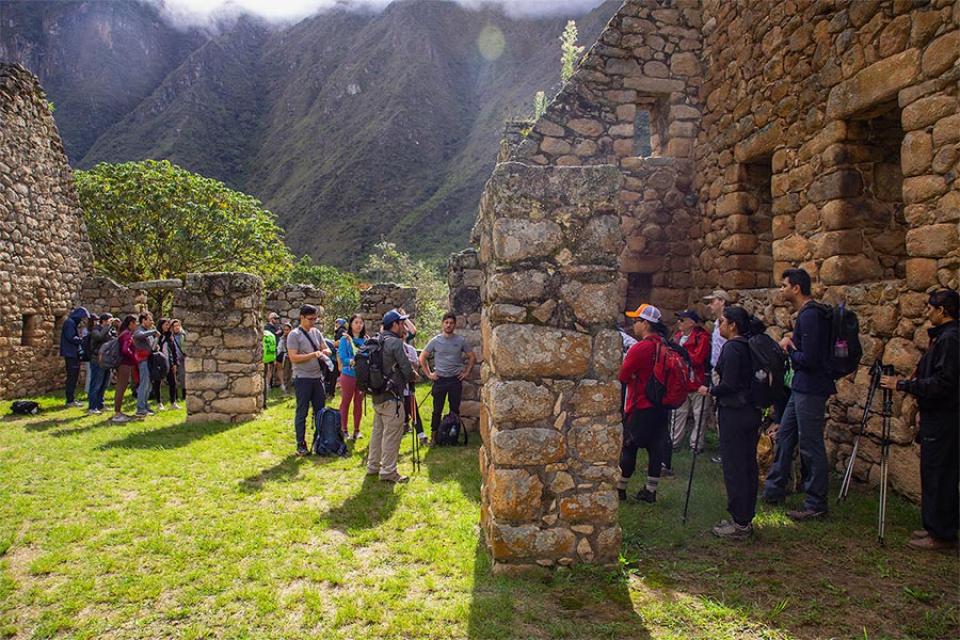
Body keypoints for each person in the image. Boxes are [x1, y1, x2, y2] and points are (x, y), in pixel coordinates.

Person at [880, 290, 959, 551]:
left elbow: (944, 383)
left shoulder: (950, 340)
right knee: (935, 471)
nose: (926, 312)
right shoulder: (944, 339)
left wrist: (903, 385)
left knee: (939, 473)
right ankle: (936, 526)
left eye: (931, 307)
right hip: (939, 415)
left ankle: (941, 534)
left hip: (944, 416)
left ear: (943, 310)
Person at [762, 268, 835, 521]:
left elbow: (811, 359)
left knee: (810, 444)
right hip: (801, 387)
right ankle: (774, 489)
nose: (781, 290)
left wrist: (789, 350)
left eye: (784, 286)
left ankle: (816, 503)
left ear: (796, 288)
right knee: (785, 436)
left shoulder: (812, 315)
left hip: (811, 388)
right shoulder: (806, 314)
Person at [697, 306, 762, 539]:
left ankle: (740, 522)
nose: (719, 326)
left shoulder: (733, 348)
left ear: (733, 325)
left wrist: (710, 390)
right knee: (746, 464)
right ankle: (744, 516)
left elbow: (730, 384)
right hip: (749, 411)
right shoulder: (747, 345)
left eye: (722, 321)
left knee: (735, 466)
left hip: (735, 413)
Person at [617, 304, 670, 504]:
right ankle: (650, 491)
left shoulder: (641, 348)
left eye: (636, 321)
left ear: (645, 324)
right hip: (661, 405)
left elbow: (623, 374)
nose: (634, 325)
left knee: (630, 446)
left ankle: (621, 489)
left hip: (640, 404)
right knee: (656, 448)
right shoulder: (665, 346)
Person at [368, 310, 415, 483]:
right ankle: (388, 471)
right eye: (401, 323)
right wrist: (413, 376)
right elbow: (406, 369)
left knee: (378, 433)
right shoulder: (395, 343)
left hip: (377, 394)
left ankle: (373, 466)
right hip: (392, 396)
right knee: (392, 435)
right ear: (394, 325)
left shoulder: (377, 340)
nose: (403, 326)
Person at [662, 309, 711, 476]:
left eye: (682, 320)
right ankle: (674, 442)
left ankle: (696, 445)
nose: (679, 323)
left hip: (696, 382)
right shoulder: (676, 337)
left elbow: (698, 359)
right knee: (678, 413)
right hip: (681, 382)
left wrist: (682, 352)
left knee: (700, 415)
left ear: (691, 322)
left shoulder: (701, 338)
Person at [419, 312, 476, 444]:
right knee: (437, 410)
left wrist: (466, 372)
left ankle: (452, 435)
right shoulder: (435, 340)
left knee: (454, 410)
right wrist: (429, 374)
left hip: (455, 380)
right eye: (446, 322)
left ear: (454, 325)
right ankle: (434, 436)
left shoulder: (460, 340)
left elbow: (472, 357)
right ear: (442, 324)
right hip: (440, 380)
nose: (449, 325)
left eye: (451, 323)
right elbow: (422, 357)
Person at [287, 305, 332, 456]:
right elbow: (294, 358)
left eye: (315, 319)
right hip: (302, 378)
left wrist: (324, 352)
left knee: (320, 411)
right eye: (310, 319)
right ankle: (301, 444)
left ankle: (319, 442)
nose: (313, 322)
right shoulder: (294, 335)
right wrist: (313, 355)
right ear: (302, 317)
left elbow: (327, 348)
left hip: (317, 377)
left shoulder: (316, 332)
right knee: (302, 412)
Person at [702, 290, 730, 463]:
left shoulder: (728, 323)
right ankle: (725, 450)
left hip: (724, 371)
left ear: (722, 301)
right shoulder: (717, 323)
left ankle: (727, 452)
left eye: (713, 302)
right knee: (719, 411)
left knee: (724, 412)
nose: (710, 306)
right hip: (716, 370)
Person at [338, 314, 366, 440]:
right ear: (351, 324)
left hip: (361, 376)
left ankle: (357, 430)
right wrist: (351, 361)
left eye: (361, 322)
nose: (359, 325)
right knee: (346, 402)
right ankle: (343, 429)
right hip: (348, 375)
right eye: (356, 322)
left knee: (358, 403)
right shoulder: (345, 339)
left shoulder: (365, 340)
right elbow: (343, 357)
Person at [59, 306, 90, 407]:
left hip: (73, 353)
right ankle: (70, 400)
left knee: (73, 376)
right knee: (72, 376)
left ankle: (71, 399)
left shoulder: (71, 323)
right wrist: (82, 340)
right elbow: (71, 337)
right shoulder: (70, 323)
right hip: (71, 353)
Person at [112, 315, 138, 423]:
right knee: (121, 387)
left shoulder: (123, 333)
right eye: (135, 323)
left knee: (121, 387)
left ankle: (118, 412)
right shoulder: (126, 334)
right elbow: (125, 349)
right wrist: (134, 357)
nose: (136, 326)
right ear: (131, 323)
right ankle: (117, 413)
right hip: (125, 364)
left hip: (123, 364)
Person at [86, 313, 114, 415]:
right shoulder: (96, 329)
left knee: (104, 384)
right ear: (104, 321)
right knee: (96, 384)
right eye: (109, 320)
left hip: (106, 360)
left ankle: (100, 405)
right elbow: (99, 337)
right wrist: (107, 327)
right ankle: (92, 407)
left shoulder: (109, 330)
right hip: (96, 360)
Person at [132, 312, 159, 418]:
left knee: (148, 385)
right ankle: (140, 408)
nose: (151, 322)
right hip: (142, 361)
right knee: (144, 384)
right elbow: (137, 335)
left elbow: (151, 346)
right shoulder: (140, 330)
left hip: (148, 360)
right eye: (149, 319)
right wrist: (154, 331)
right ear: (143, 320)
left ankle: (145, 406)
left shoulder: (147, 331)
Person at [153, 319, 181, 410]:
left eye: (168, 325)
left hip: (169, 362)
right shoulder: (156, 336)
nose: (167, 326)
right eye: (166, 324)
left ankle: (173, 403)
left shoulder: (170, 336)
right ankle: (159, 403)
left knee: (173, 382)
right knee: (157, 383)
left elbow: (174, 351)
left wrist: (175, 363)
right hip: (159, 363)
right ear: (161, 325)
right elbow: (153, 348)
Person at [171, 319, 186, 400]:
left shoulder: (183, 335)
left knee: (183, 377)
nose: (176, 327)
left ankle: (184, 395)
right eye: (174, 326)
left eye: (178, 325)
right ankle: (175, 396)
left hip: (182, 359)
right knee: (173, 378)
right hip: (173, 360)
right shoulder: (170, 336)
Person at [280, 323, 293, 395]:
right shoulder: (282, 338)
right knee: (285, 373)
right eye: (284, 330)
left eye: (287, 330)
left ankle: (289, 390)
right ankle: (285, 391)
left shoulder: (293, 338)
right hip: (286, 358)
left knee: (291, 374)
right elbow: (280, 348)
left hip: (293, 357)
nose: (286, 331)